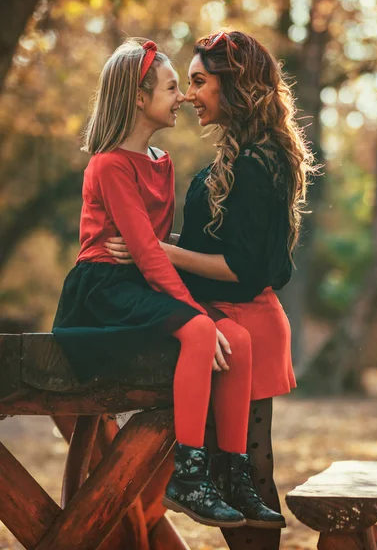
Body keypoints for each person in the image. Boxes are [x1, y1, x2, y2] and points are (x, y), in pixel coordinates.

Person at [52, 38, 286, 530]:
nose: (182, 96)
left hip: (142, 281)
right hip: (104, 288)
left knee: (238, 341)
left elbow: (155, 249)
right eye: (175, 85)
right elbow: (146, 252)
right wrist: (197, 315)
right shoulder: (109, 163)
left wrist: (160, 262)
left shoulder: (161, 161)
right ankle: (190, 472)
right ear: (139, 97)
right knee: (204, 332)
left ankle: (234, 469)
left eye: (192, 84)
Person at [106, 30, 316, 548]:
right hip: (230, 318)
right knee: (242, 476)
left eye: (199, 81)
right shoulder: (249, 153)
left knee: (241, 477)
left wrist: (158, 251)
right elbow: (218, 245)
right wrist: (148, 242)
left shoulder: (255, 162)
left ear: (234, 83)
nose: (189, 95)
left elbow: (245, 268)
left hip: (240, 319)